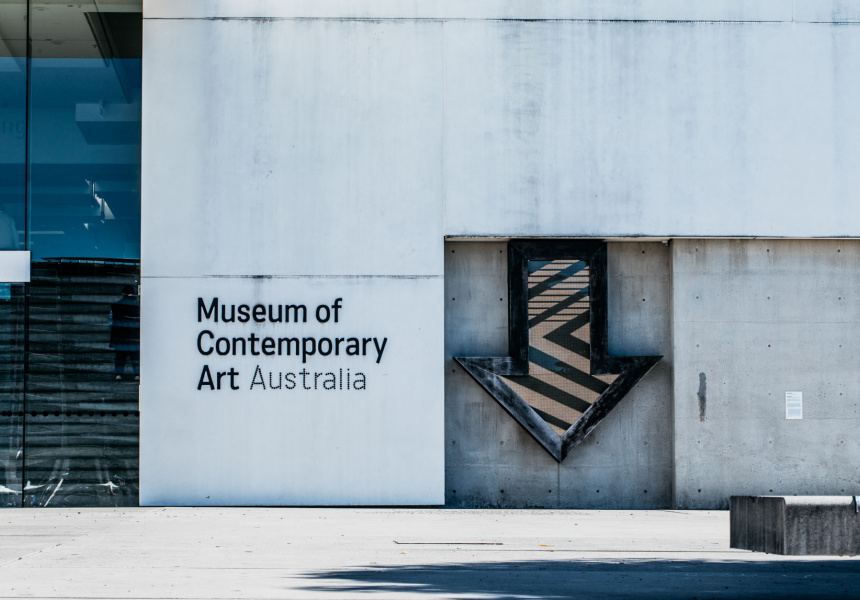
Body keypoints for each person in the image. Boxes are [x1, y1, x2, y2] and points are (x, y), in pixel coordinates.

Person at [109, 285, 140, 381]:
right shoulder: (138, 306)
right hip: (134, 335)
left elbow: (110, 321)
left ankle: (119, 374)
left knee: (120, 356)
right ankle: (137, 375)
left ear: (123, 294)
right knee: (135, 356)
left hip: (120, 335)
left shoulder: (115, 306)